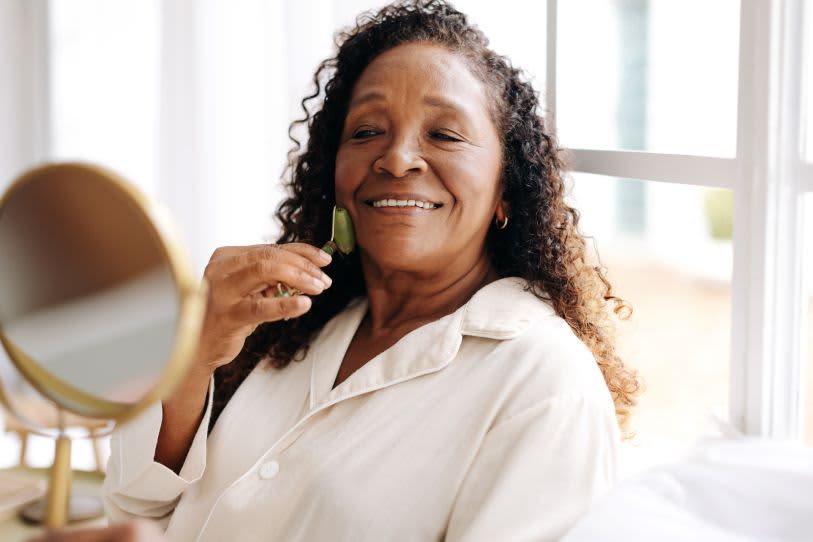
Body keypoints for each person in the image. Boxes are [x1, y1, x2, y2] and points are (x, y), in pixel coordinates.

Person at [102, 1, 640, 541]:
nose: (397, 159)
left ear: (506, 190)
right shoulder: (296, 324)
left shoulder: (544, 383)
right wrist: (194, 356)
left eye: (445, 134)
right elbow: (137, 509)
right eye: (365, 132)